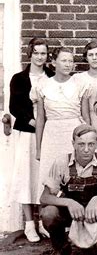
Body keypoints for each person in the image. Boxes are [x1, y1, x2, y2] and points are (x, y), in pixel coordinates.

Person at [40, 124, 97, 255]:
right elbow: (44, 198)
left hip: (95, 213)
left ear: (96, 144)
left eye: (91, 144)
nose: (86, 149)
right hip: (70, 213)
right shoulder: (62, 162)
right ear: (73, 144)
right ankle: (61, 249)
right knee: (48, 213)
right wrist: (69, 202)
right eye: (81, 144)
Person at [9, 37, 54, 242]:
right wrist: (33, 121)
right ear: (30, 54)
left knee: (43, 176)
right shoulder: (19, 78)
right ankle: (29, 224)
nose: (39, 57)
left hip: (47, 134)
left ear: (47, 56)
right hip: (27, 133)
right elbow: (14, 107)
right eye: (36, 52)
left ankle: (43, 222)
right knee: (27, 175)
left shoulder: (52, 77)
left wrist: (46, 124)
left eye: (43, 53)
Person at [33, 47, 91, 204]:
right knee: (48, 173)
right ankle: (45, 219)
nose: (68, 64)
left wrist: (89, 140)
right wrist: (38, 148)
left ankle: (72, 217)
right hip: (51, 133)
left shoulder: (80, 84)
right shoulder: (42, 85)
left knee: (72, 172)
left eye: (70, 61)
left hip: (73, 131)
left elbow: (86, 117)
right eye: (64, 60)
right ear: (53, 62)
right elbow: (40, 119)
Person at [73, 41, 97, 133]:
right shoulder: (78, 78)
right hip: (82, 121)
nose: (94, 58)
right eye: (90, 55)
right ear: (86, 58)